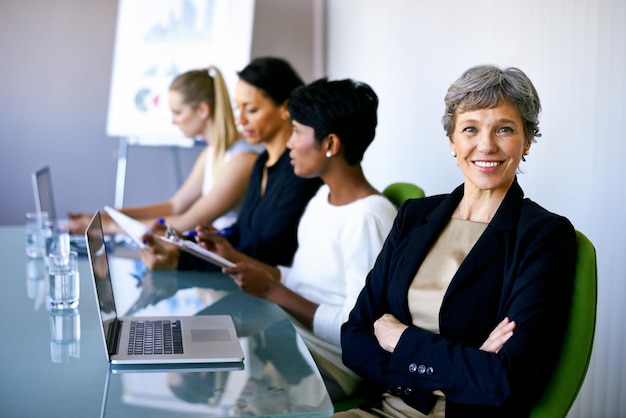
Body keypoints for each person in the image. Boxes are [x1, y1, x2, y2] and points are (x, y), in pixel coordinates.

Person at [338, 65, 577, 417]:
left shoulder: (544, 237)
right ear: (452, 141)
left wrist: (401, 340)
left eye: (505, 129)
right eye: (470, 129)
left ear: (526, 140)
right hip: (380, 406)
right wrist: (461, 364)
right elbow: (355, 337)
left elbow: (503, 381)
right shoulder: (415, 216)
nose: (486, 145)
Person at [188, 78, 397, 401]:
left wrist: (273, 290)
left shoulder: (367, 218)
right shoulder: (322, 198)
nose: (289, 143)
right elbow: (300, 281)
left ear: (330, 144)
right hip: (290, 334)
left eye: (297, 132)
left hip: (331, 363)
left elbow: (360, 328)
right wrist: (235, 257)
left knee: (211, 361)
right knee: (197, 337)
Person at [141, 57, 323, 270]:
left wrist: (182, 258)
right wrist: (182, 248)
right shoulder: (261, 163)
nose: (240, 120)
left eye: (252, 110)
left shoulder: (299, 172)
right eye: (238, 108)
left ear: (285, 108)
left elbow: (267, 254)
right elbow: (241, 236)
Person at [68, 65, 262, 235]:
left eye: (177, 112)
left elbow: (189, 221)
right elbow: (175, 206)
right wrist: (107, 216)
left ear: (203, 110)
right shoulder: (210, 154)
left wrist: (108, 226)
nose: (173, 120)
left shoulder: (241, 159)